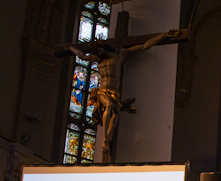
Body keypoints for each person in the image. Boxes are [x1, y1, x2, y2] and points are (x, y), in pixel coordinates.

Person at [67, 29, 181, 163]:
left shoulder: (120, 55)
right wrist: (69, 47)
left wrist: (163, 35)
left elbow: (144, 46)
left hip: (114, 93)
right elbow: (81, 55)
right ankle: (105, 139)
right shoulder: (98, 59)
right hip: (102, 91)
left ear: (103, 48)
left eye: (100, 51)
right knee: (109, 105)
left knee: (116, 113)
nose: (99, 55)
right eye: (97, 53)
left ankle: (108, 139)